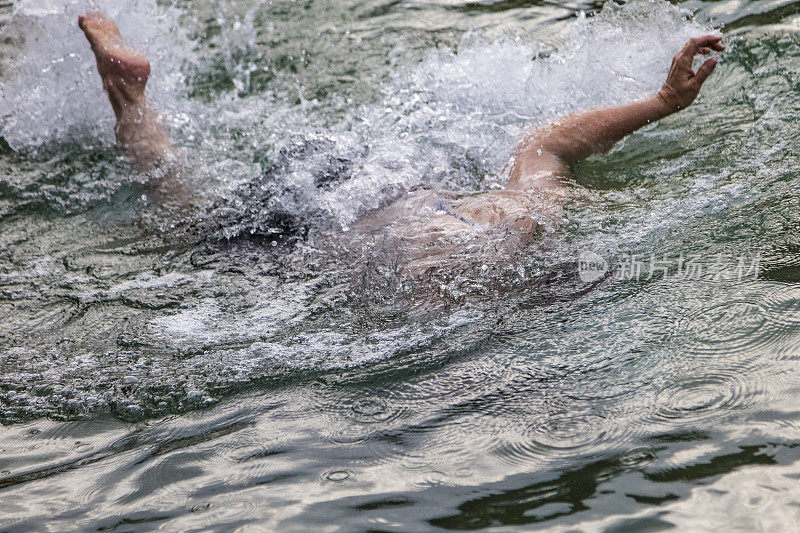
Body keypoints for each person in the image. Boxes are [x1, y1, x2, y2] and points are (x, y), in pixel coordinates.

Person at [78, 12, 724, 277]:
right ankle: (128, 98)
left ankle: (129, 96)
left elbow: (546, 145)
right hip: (337, 203)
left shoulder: (523, 225)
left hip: (375, 175)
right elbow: (546, 147)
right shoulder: (500, 250)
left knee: (186, 230)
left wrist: (661, 104)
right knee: (180, 238)